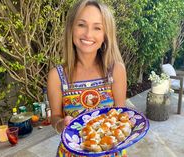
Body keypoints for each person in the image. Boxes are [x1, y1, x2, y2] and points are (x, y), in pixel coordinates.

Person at [47, 0, 127, 156]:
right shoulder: (57, 76)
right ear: (71, 28)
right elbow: (55, 117)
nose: (88, 34)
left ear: (106, 35)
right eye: (81, 25)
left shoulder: (116, 70)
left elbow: (120, 115)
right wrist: (60, 124)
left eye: (97, 27)